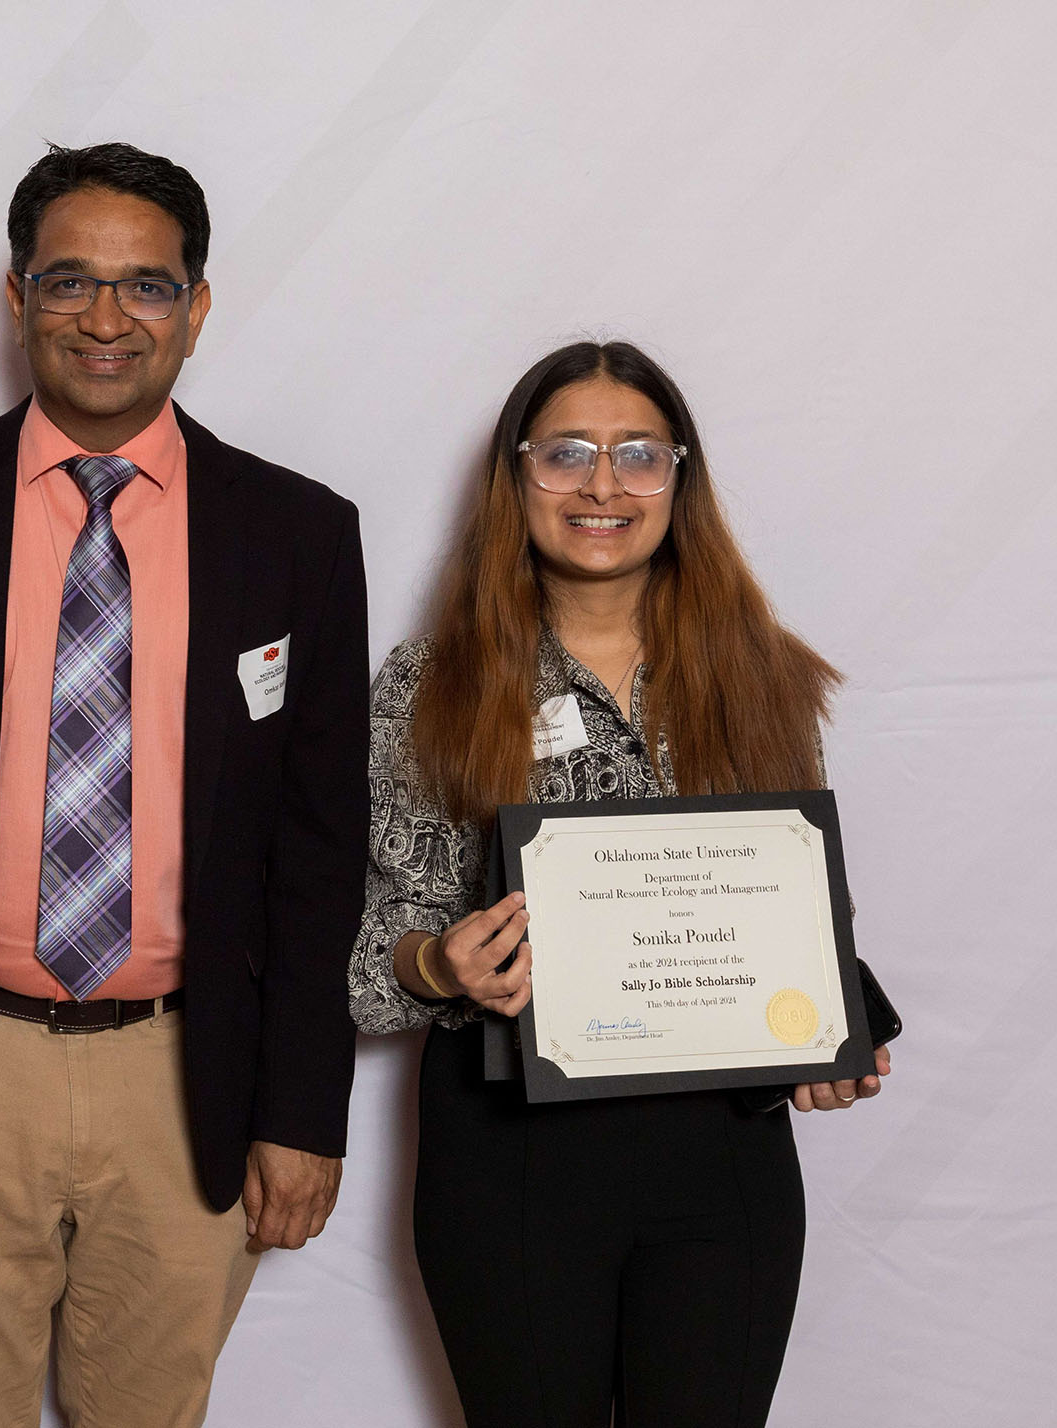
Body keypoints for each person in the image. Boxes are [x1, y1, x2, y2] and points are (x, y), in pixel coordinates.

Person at [0, 141, 368, 1428]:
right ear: (15, 298)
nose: (106, 320)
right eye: (69, 282)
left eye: (147, 287)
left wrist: (300, 1107)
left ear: (196, 308)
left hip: (186, 1074)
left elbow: (320, 849)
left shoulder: (299, 535)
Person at [348, 340, 893, 1427]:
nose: (603, 485)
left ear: (677, 478)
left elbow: (803, 915)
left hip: (718, 1164)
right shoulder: (432, 682)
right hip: (509, 1164)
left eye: (638, 454)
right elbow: (373, 966)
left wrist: (835, 1028)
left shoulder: (761, 675)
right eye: (567, 453)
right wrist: (439, 961)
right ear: (515, 478)